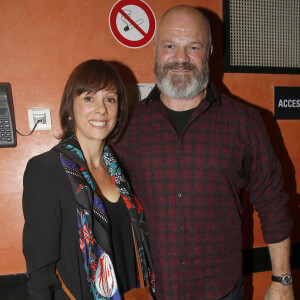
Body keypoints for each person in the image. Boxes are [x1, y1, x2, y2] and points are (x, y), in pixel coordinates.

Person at [114, 5, 294, 300]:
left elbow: (273, 203)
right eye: (170, 46)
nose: (181, 58)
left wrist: (282, 280)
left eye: (193, 47)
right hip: (149, 293)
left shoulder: (245, 122)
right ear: (156, 50)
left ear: (209, 51)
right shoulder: (126, 127)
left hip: (222, 291)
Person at [22, 59, 155, 300]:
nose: (101, 108)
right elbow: (40, 273)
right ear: (70, 108)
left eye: (110, 99)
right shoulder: (45, 170)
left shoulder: (120, 170)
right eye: (89, 98)